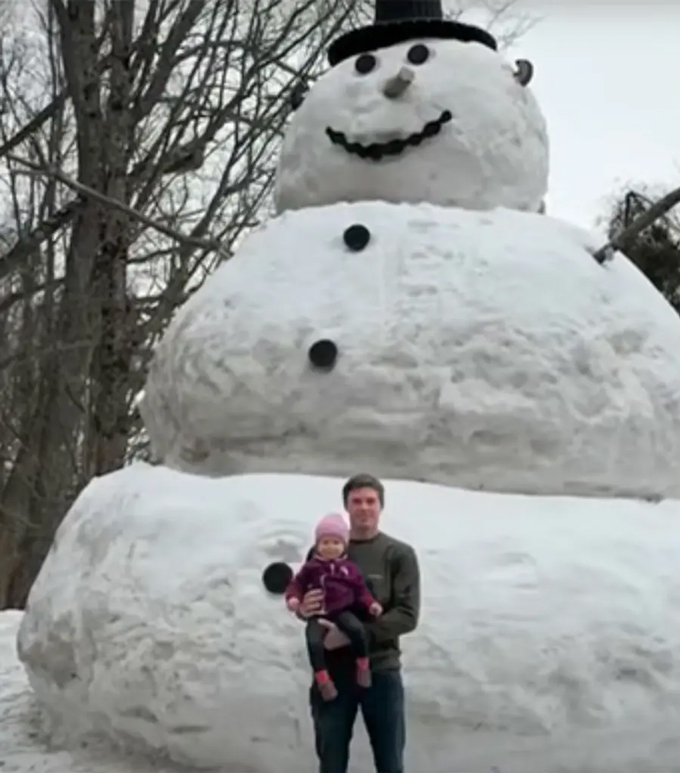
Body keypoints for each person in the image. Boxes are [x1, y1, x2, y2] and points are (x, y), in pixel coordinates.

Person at [297, 473, 421, 773]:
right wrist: (302, 608)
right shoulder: (325, 550)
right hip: (333, 674)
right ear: (347, 507)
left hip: (381, 670)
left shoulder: (398, 555)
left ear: (381, 506)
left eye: (370, 501)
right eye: (357, 501)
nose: (364, 508)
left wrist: (354, 634)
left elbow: (407, 614)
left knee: (390, 763)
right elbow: (307, 598)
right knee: (331, 762)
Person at [285, 512, 383, 700]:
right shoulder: (311, 567)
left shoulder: (350, 568)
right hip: (319, 615)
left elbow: (361, 590)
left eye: (336, 543)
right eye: (325, 542)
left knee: (357, 630)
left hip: (341, 611)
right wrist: (294, 600)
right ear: (317, 545)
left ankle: (363, 665)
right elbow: (296, 584)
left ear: (344, 545)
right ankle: (323, 680)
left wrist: (371, 604)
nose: (330, 547)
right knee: (313, 642)